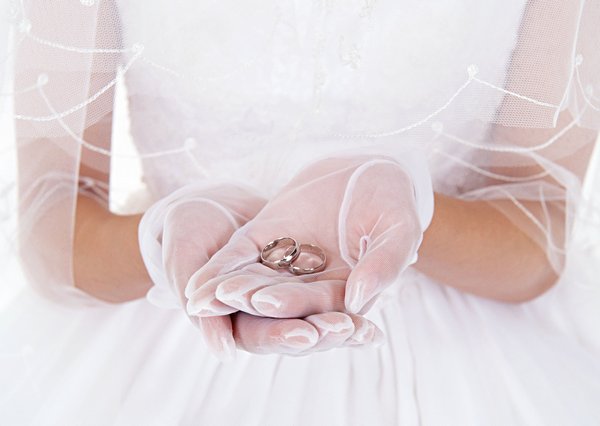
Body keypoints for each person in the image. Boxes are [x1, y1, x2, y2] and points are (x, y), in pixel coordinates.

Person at [2, 0, 600, 424]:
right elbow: (53, 225)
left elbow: (534, 236)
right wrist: (164, 234)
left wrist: (414, 205)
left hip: (465, 360)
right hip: (157, 337)